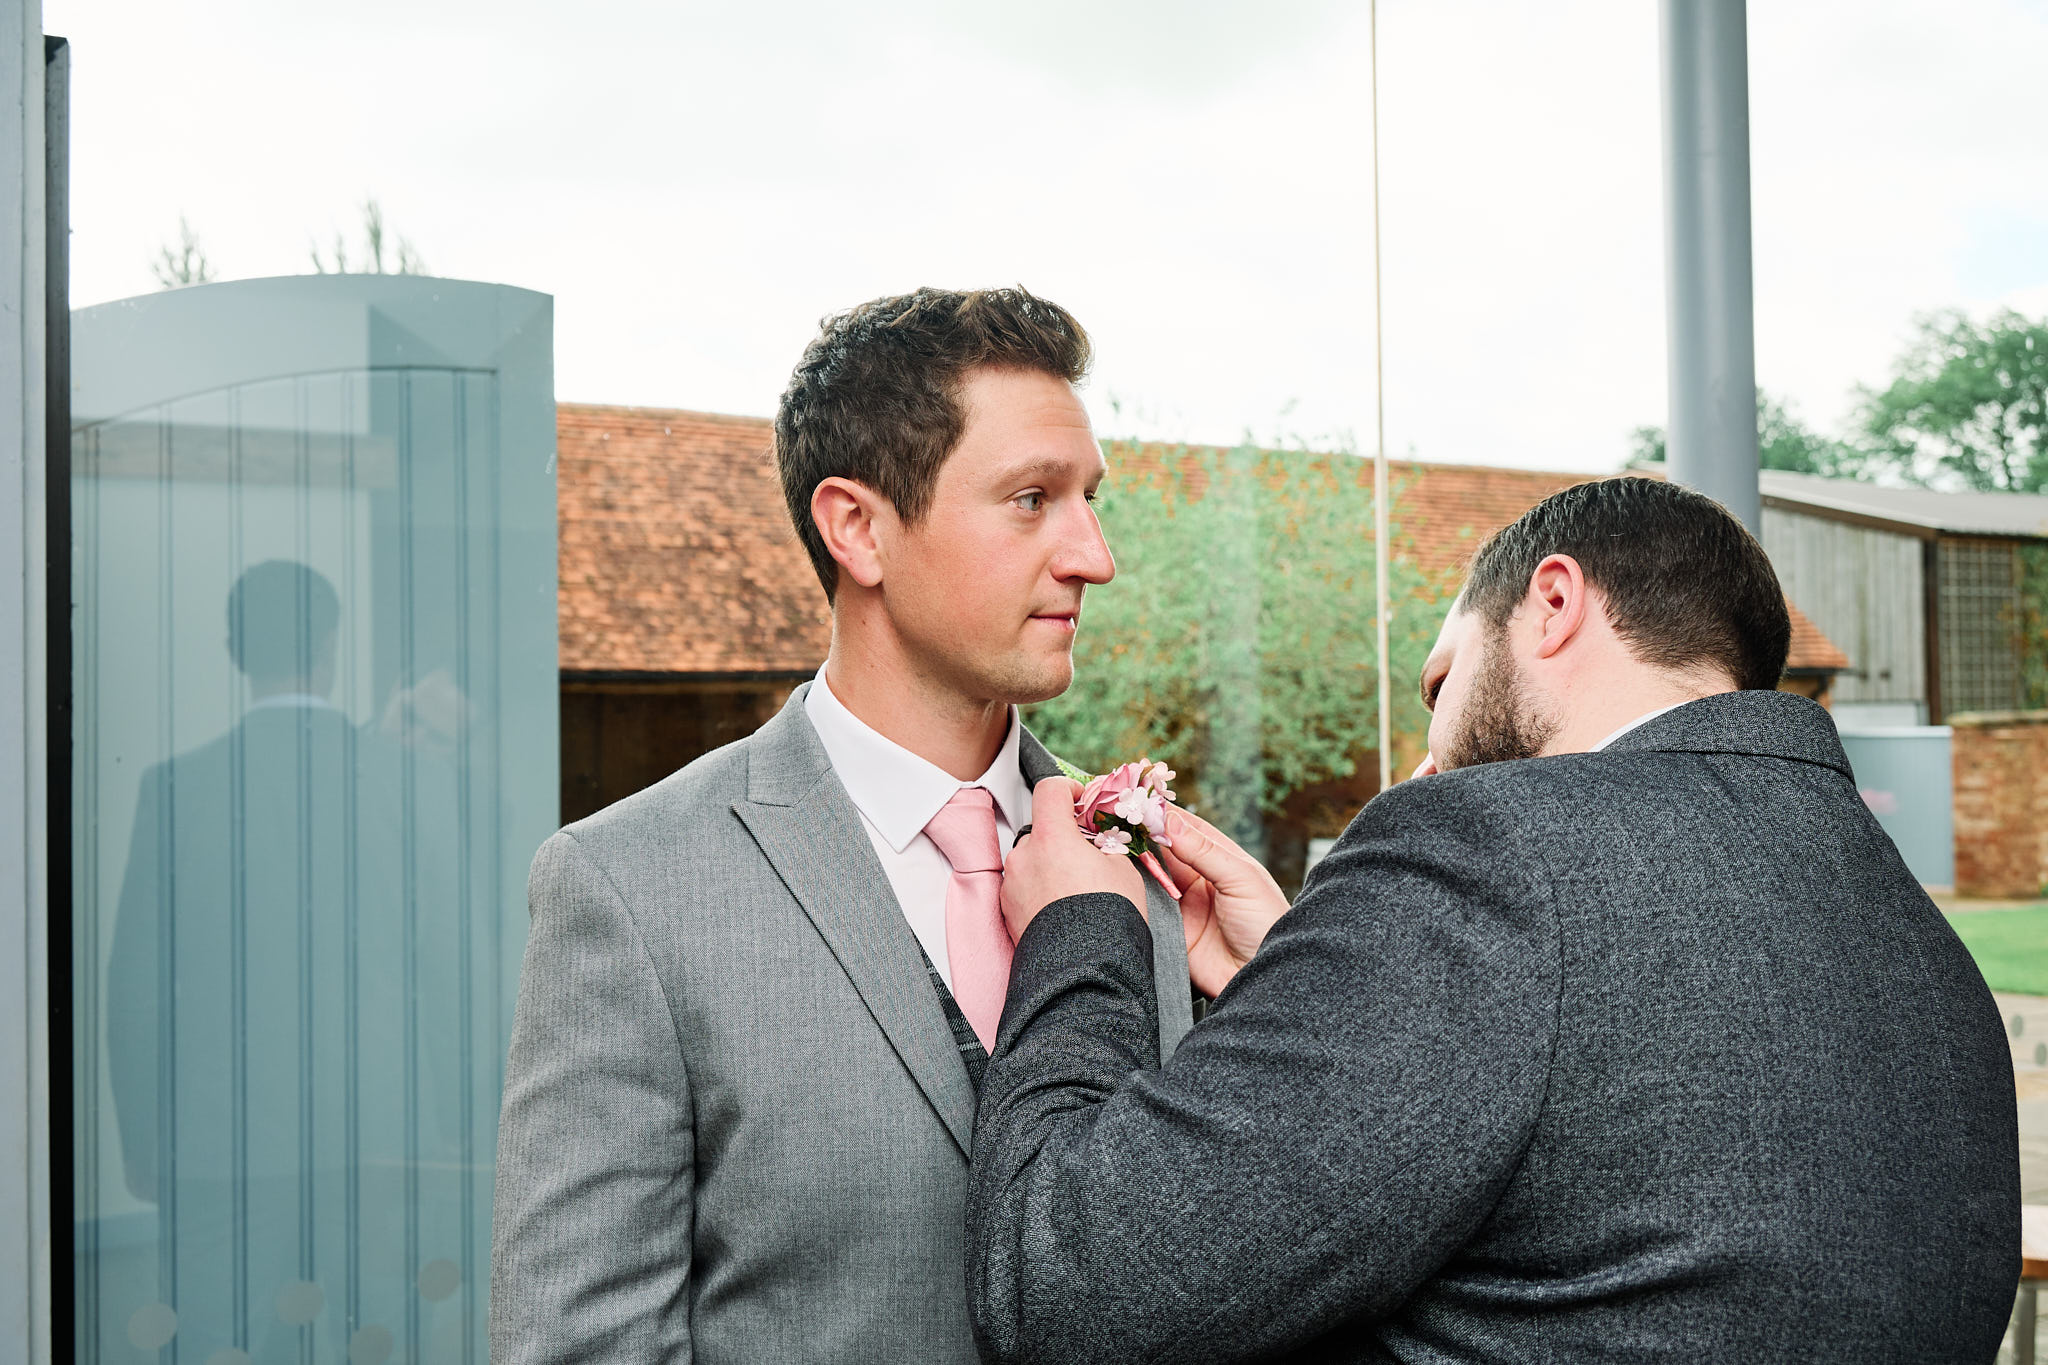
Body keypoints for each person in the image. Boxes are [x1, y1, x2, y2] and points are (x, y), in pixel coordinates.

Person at [970, 477, 2021, 1363]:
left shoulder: (1483, 842)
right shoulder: (1917, 945)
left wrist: (1081, 930)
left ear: (1551, 602)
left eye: (1441, 678)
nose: (1427, 753)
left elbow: (1070, 1288)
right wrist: (1302, 984)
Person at [489, 287, 1196, 1363]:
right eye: (1029, 499)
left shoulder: (1147, 873)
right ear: (857, 527)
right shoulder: (630, 889)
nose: (1092, 556)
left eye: (1089, 499)